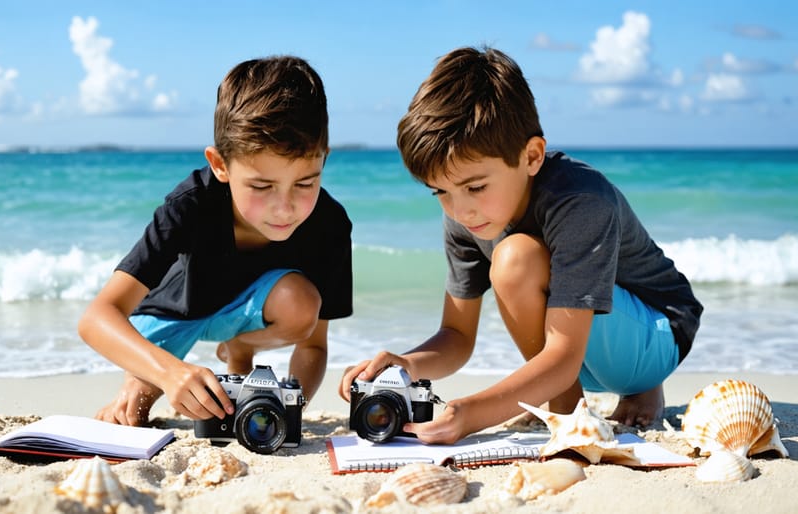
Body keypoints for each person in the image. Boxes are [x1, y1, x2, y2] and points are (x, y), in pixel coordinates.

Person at [340, 46, 702, 444]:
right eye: (439, 192)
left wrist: (471, 414)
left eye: (475, 186)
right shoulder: (467, 214)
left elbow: (564, 356)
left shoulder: (580, 201)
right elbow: (457, 337)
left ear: (531, 156)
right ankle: (566, 399)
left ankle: (586, 400)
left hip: (656, 331)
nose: (460, 209)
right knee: (514, 260)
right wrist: (407, 364)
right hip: (576, 349)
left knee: (515, 259)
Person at [79, 55, 352, 427]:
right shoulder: (190, 203)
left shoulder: (330, 224)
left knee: (301, 303)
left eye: (305, 183)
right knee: (132, 412)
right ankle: (151, 378)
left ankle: (241, 349)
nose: (285, 207)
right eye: (261, 185)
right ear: (220, 165)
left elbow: (314, 344)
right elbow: (97, 318)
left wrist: (287, 414)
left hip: (248, 314)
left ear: (323, 160)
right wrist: (168, 373)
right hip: (173, 312)